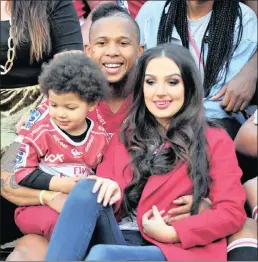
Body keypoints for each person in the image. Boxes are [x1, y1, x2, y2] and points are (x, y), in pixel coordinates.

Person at [1, 4, 256, 261]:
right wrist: (50, 195)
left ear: (139, 50)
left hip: (159, 235)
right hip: (84, 219)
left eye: (123, 43)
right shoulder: (60, 104)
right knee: (81, 203)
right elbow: (6, 176)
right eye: (102, 43)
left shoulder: (154, 114)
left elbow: (230, 207)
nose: (112, 52)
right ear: (88, 50)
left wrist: (203, 202)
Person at [45, 44, 246, 261]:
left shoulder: (214, 139)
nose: (160, 92)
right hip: (120, 236)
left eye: (172, 82)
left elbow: (232, 212)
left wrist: (174, 233)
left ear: (188, 86)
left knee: (102, 256)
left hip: (172, 249)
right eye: (150, 82)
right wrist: (112, 188)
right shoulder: (128, 133)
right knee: (88, 188)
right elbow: (109, 195)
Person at [0, 0, 83, 252]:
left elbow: (71, 66)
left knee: (15, 155)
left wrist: (42, 113)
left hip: (41, 106)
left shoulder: (51, 2)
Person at [13, 52, 108, 241]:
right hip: (36, 207)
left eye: (70, 108)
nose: (60, 114)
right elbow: (20, 172)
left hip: (78, 202)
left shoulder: (99, 135)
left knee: (97, 224)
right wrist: (62, 186)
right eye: (54, 105)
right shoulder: (40, 130)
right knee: (63, 225)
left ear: (91, 104)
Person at [136, 0, 257, 139]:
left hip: (212, 121)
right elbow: (136, 75)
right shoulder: (152, 13)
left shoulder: (242, 20)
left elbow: (221, 101)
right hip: (154, 115)